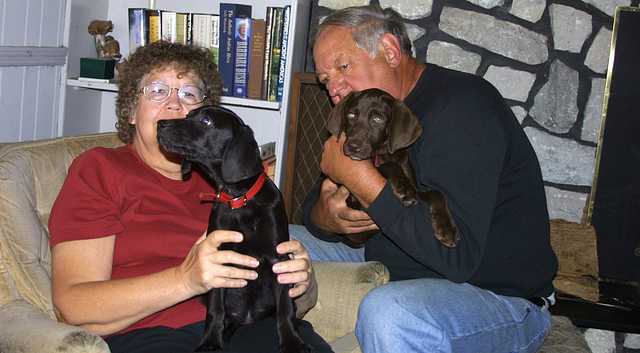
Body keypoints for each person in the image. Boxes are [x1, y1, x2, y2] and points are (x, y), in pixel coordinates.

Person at [290, 5, 558, 353]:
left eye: (343, 67)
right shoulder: (362, 116)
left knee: (390, 313)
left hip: (496, 297)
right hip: (395, 259)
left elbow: (457, 258)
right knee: (268, 242)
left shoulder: (465, 108)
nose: (334, 88)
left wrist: (363, 181)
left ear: (389, 50)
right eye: (326, 79)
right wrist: (328, 216)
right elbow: (314, 207)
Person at [49, 41, 331, 353]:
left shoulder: (229, 181)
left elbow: (280, 291)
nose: (173, 104)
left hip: (250, 326)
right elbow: (73, 307)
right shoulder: (101, 169)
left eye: (188, 95)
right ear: (131, 110)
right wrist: (186, 279)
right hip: (156, 334)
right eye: (157, 90)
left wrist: (301, 283)